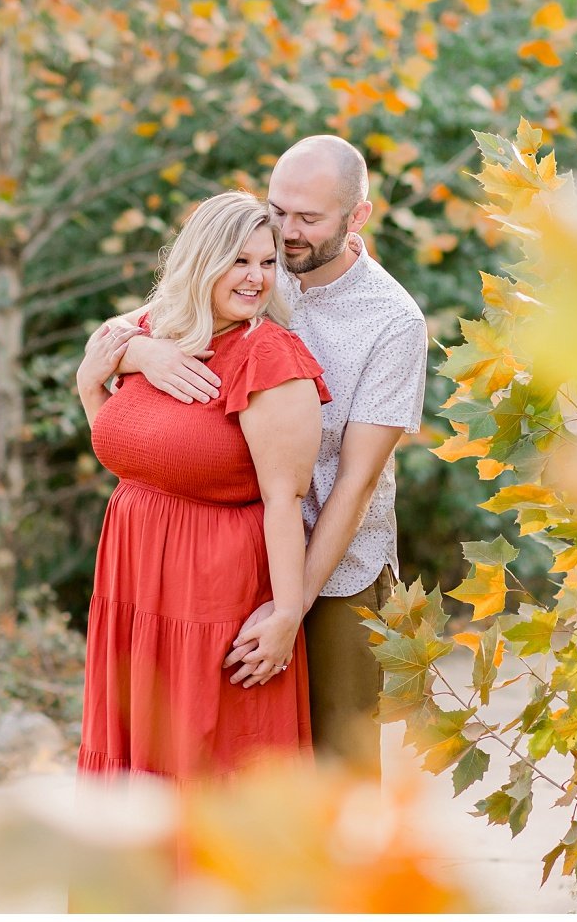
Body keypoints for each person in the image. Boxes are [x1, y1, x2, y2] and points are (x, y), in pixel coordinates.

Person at [105, 135, 428, 776]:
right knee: (235, 763)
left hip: (333, 572)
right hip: (229, 561)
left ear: (356, 217)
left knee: (336, 771)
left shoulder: (392, 322)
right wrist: (141, 354)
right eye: (279, 210)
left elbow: (357, 486)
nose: (286, 233)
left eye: (308, 219)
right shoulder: (254, 267)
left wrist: (291, 609)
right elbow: (133, 328)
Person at [74, 191, 331, 780]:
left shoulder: (269, 357)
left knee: (203, 762)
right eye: (239, 261)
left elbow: (283, 500)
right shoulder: (155, 333)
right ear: (200, 262)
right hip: (134, 579)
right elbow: (134, 459)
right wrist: (104, 380)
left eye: (268, 263)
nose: (256, 278)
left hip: (210, 587)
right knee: (140, 757)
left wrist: (288, 611)